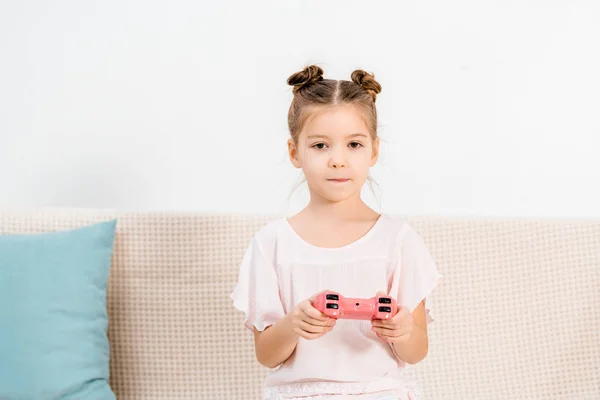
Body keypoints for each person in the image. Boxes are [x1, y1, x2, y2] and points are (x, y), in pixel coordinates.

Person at [230, 65, 443, 400]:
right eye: (320, 146)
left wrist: (401, 330)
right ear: (294, 152)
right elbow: (266, 354)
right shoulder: (271, 244)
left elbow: (416, 351)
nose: (338, 160)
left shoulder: (398, 240)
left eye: (354, 144)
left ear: (374, 150)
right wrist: (294, 324)